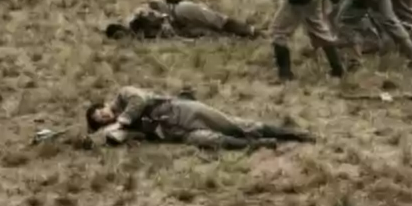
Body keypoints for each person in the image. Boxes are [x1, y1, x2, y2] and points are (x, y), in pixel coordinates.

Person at [85, 86, 314, 150]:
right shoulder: (117, 127)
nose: (104, 117)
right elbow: (115, 138)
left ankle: (294, 134)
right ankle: (256, 145)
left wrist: (122, 120)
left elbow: (140, 100)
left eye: (101, 112)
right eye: (101, 119)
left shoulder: (124, 95)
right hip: (178, 133)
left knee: (236, 125)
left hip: (184, 111)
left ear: (105, 104)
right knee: (207, 140)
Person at [104, 0, 256, 39]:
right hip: (180, 27)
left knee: (218, 21)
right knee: (213, 34)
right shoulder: (138, 36)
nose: (123, 39)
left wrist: (164, 20)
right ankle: (244, 35)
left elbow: (155, 6)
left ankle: (251, 31)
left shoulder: (137, 17)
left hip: (179, 12)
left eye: (120, 35)